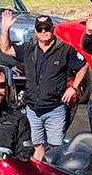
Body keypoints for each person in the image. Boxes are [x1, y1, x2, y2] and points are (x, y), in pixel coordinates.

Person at [11, 11, 85, 146]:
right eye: (40, 29)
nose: (44, 32)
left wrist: (74, 87)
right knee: (35, 147)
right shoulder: (28, 48)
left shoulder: (64, 49)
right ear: (35, 31)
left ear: (52, 29)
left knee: (55, 148)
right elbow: (6, 49)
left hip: (55, 110)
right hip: (33, 110)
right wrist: (5, 29)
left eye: (47, 28)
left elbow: (83, 65)